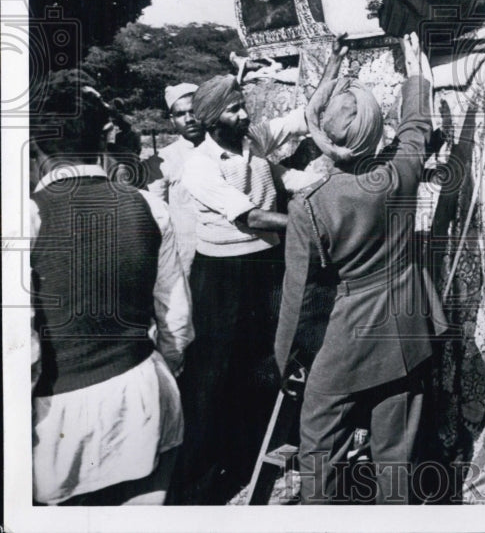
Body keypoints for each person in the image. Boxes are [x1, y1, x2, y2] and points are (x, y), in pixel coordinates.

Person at [275, 32, 448, 505]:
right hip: (405, 334)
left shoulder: (310, 205)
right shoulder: (400, 172)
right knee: (398, 460)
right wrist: (415, 73)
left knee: (320, 458)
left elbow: (301, 297)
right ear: (376, 134)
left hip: (343, 346)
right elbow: (416, 126)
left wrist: (287, 359)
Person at [30, 72, 192, 505]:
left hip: (54, 415)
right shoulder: (148, 206)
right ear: (106, 135)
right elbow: (175, 318)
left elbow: (20, 346)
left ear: (36, 144)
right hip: (143, 391)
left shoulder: (28, 219)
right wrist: (166, 370)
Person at [170, 73, 322, 503]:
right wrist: (315, 226)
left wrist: (334, 64)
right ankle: (195, 486)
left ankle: (242, 460)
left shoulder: (251, 139)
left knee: (262, 365)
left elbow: (300, 119)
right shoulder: (198, 166)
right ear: (213, 119)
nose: (244, 113)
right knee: (213, 376)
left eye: (242, 105)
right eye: (234, 109)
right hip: (222, 277)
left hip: (265, 267)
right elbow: (250, 218)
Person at [144, 83, 205, 277]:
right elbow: (157, 216)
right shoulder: (162, 162)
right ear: (172, 120)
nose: (189, 119)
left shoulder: (225, 149)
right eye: (180, 114)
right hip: (188, 255)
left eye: (194, 111)